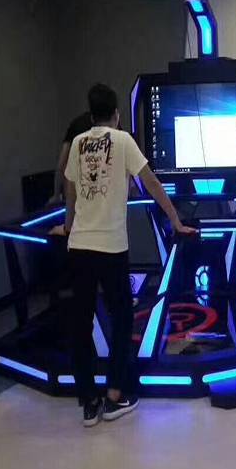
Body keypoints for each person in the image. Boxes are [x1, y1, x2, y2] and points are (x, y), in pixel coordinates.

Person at [62, 83, 196, 427]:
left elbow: (70, 191)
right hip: (111, 247)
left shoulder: (78, 143)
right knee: (122, 319)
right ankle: (115, 395)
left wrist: (68, 226)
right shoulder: (123, 141)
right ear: (116, 114)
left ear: (91, 115)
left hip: (79, 246)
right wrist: (175, 220)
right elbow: (151, 182)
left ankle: (89, 403)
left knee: (80, 324)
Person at [49, 110, 93, 204]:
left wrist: (56, 195)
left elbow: (61, 163)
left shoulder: (78, 123)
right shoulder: (112, 124)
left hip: (77, 193)